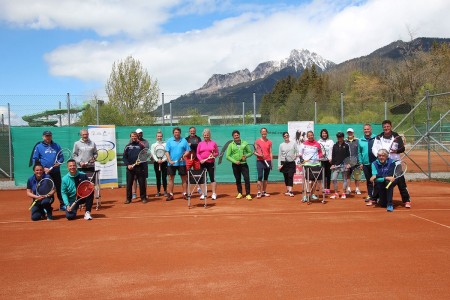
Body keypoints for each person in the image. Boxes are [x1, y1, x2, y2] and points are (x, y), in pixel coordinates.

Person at [372, 120, 411, 208]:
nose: (386, 128)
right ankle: (376, 198)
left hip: (396, 164)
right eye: (384, 127)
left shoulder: (396, 136)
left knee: (401, 183)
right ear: (383, 128)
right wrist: (379, 156)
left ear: (391, 127)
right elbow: (374, 148)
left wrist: (396, 151)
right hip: (383, 163)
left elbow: (402, 149)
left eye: (388, 126)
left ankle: (407, 200)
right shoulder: (378, 137)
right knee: (380, 181)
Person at [32, 130, 65, 211]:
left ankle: (62, 204)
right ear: (43, 137)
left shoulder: (57, 145)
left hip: (56, 171)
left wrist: (59, 163)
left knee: (58, 188)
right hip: (46, 173)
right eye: (46, 136)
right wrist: (43, 168)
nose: (48, 137)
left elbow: (61, 157)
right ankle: (46, 206)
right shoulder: (39, 147)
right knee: (47, 189)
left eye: (49, 136)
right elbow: (35, 159)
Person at [226, 130, 253, 200]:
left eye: (237, 135)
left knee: (247, 179)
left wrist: (246, 156)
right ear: (233, 137)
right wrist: (235, 161)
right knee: (238, 179)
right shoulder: (231, 145)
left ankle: (248, 194)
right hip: (235, 165)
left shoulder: (245, 143)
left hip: (244, 164)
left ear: (239, 135)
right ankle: (240, 193)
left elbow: (250, 152)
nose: (236, 136)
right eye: (235, 135)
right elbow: (227, 156)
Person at [165, 127, 190, 201]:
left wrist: (184, 155)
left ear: (180, 133)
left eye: (178, 132)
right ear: (173, 133)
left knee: (184, 178)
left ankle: (185, 193)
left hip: (182, 163)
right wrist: (169, 161)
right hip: (171, 164)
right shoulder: (169, 141)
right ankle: (170, 194)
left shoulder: (184, 140)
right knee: (170, 178)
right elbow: (166, 152)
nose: (177, 134)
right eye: (175, 132)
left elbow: (188, 151)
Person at [123, 131, 148, 204]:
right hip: (130, 168)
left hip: (140, 167)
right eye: (132, 136)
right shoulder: (127, 146)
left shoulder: (141, 145)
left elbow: (145, 154)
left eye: (135, 136)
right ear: (130, 137)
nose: (134, 137)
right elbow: (124, 157)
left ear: (137, 137)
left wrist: (141, 160)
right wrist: (128, 165)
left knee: (142, 183)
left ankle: (143, 198)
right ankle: (128, 199)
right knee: (129, 184)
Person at [299, 131, 323, 202]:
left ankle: (311, 195)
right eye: (309, 135)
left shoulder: (317, 144)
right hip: (307, 164)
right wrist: (301, 159)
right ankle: (306, 196)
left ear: (313, 135)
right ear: (307, 136)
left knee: (314, 180)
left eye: (311, 135)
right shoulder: (303, 144)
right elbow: (300, 153)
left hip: (316, 164)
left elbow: (320, 153)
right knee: (307, 180)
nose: (310, 136)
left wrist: (321, 157)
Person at [196, 128, 219, 200]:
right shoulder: (200, 144)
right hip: (203, 163)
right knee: (203, 179)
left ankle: (214, 193)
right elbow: (197, 153)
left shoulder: (213, 143)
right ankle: (203, 193)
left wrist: (213, 155)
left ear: (209, 135)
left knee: (212, 178)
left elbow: (217, 152)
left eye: (207, 135)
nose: (206, 136)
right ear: (203, 135)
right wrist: (200, 160)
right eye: (205, 135)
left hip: (211, 163)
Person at [358, 124, 377, 201]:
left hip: (375, 163)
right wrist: (361, 163)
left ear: (371, 129)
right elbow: (359, 153)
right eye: (365, 129)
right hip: (365, 164)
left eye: (368, 129)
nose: (366, 131)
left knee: (376, 180)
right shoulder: (360, 140)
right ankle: (370, 195)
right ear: (363, 130)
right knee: (369, 181)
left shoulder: (376, 138)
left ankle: (376, 196)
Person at [330, 132, 350, 199]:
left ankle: (344, 193)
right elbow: (333, 155)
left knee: (344, 179)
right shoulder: (334, 146)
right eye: (338, 137)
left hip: (344, 165)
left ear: (343, 137)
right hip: (336, 165)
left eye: (341, 137)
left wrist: (348, 164)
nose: (339, 138)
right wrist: (333, 164)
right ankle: (336, 193)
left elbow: (348, 156)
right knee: (334, 179)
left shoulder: (346, 145)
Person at [254, 127, 273, 198]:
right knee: (260, 176)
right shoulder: (257, 142)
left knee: (266, 177)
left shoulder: (270, 142)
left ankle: (264, 191)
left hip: (267, 161)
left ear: (266, 133)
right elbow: (254, 152)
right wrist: (259, 155)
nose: (264, 132)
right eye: (262, 131)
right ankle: (259, 192)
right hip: (260, 161)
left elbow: (270, 152)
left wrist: (271, 162)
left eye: (265, 131)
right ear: (261, 133)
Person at [132, 128, 149, 199]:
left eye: (141, 133)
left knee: (144, 178)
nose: (139, 134)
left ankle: (144, 193)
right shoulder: (131, 141)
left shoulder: (145, 142)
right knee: (134, 178)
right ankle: (134, 193)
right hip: (134, 162)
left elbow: (146, 150)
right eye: (138, 133)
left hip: (143, 162)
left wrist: (139, 142)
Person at [278, 131, 297, 197]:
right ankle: (288, 190)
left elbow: (297, 152)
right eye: (285, 136)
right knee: (286, 177)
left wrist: (295, 157)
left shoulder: (293, 143)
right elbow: (280, 155)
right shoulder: (281, 145)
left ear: (289, 136)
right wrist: (279, 165)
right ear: (283, 137)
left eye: (287, 135)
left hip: (291, 162)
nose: (286, 137)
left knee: (290, 176)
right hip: (283, 163)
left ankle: (291, 191)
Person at [150, 130, 167, 197]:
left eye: (160, 136)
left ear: (162, 137)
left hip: (164, 163)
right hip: (156, 163)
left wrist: (163, 160)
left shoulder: (165, 144)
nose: (159, 137)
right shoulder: (153, 145)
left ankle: (165, 191)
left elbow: (166, 153)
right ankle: (158, 191)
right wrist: (157, 160)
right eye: (158, 136)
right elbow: (153, 154)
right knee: (158, 177)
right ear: (156, 137)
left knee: (164, 177)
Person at [345, 128, 361, 195]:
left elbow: (360, 151)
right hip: (348, 162)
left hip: (356, 162)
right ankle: (348, 188)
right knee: (348, 175)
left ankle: (357, 189)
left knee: (357, 176)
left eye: (351, 132)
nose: (350, 133)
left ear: (353, 133)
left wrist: (360, 161)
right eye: (348, 132)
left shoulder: (358, 141)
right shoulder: (345, 141)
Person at [318, 129, 334, 194]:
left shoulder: (331, 141)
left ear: (327, 134)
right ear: (321, 134)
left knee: (328, 175)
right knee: (322, 175)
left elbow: (333, 151)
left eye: (325, 133)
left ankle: (328, 188)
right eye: (323, 133)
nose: (324, 134)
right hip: (321, 161)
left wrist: (331, 159)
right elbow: (317, 152)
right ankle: (323, 188)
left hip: (329, 161)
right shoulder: (318, 142)